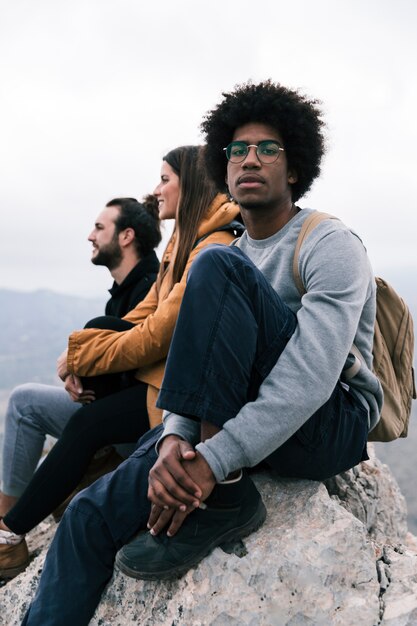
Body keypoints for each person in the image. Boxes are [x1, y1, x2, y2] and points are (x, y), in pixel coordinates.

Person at [19, 81, 383, 626]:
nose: (249, 159)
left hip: (330, 423)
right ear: (222, 165)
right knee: (87, 517)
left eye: (268, 148)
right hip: (241, 419)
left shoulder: (328, 244)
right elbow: (204, 361)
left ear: (295, 166)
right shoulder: (232, 251)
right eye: (237, 150)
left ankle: (227, 498)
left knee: (215, 267)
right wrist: (173, 439)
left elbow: (311, 377)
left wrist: (214, 462)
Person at [0, 145, 242, 580]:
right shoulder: (181, 247)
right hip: (157, 388)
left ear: (191, 184)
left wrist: (82, 355)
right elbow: (136, 319)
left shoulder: (213, 248)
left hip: (178, 402)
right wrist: (80, 355)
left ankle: (9, 534)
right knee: (100, 327)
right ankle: (16, 521)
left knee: (88, 425)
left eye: (165, 178)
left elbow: (156, 336)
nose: (156, 189)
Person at [0, 195, 161, 521]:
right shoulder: (120, 294)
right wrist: (81, 372)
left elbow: (141, 369)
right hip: (101, 417)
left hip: (139, 429)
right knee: (23, 402)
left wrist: (79, 363)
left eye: (100, 228)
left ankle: (7, 533)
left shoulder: (152, 289)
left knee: (39, 437)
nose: (90, 235)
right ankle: (5, 519)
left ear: (126, 236)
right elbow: (106, 354)